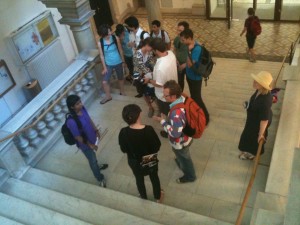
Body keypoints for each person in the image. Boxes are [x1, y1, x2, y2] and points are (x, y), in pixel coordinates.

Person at [118, 104, 164, 203]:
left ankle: (143, 196)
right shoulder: (148, 130)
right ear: (138, 115)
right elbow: (157, 146)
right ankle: (157, 197)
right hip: (148, 158)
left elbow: (123, 149)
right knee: (154, 177)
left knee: (139, 178)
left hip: (133, 160)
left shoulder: (123, 132)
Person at [153, 80, 196, 183]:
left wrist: (162, 121)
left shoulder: (176, 114)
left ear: (173, 96)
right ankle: (180, 160)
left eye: (166, 95)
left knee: (185, 159)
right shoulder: (182, 98)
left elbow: (175, 133)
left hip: (181, 142)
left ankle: (190, 176)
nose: (164, 97)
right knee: (180, 155)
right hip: (187, 136)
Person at [66, 95, 108, 187]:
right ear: (72, 107)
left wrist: (96, 130)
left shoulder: (83, 109)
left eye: (80, 102)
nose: (81, 104)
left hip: (92, 138)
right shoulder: (71, 122)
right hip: (85, 145)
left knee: (93, 156)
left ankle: (97, 166)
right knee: (92, 161)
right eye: (77, 104)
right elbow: (77, 137)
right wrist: (90, 145)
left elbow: (89, 120)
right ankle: (100, 178)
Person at [144, 38, 178, 138]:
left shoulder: (160, 67)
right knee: (172, 110)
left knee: (165, 113)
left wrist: (149, 80)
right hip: (173, 87)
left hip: (164, 95)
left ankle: (168, 130)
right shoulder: (171, 53)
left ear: (156, 50)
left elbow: (159, 84)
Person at [238, 71, 273, 160]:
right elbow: (255, 103)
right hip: (253, 119)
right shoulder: (259, 90)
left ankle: (251, 154)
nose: (254, 81)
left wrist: (261, 134)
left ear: (263, 85)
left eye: (257, 81)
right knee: (248, 134)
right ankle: (248, 151)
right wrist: (249, 105)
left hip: (258, 123)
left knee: (253, 138)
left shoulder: (265, 101)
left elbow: (264, 120)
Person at [180, 28, 210, 125]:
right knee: (194, 97)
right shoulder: (193, 43)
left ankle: (206, 117)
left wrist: (188, 52)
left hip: (195, 78)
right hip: (190, 76)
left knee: (197, 98)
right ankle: (197, 114)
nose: (182, 42)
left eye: (183, 40)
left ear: (189, 38)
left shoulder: (196, 48)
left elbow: (190, 64)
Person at [97, 24, 126, 105]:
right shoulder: (100, 43)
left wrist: (123, 62)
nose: (110, 33)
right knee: (104, 82)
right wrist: (104, 67)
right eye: (108, 32)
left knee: (120, 78)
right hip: (108, 64)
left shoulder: (115, 38)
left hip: (118, 62)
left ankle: (122, 91)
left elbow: (120, 50)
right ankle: (108, 96)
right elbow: (102, 56)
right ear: (103, 34)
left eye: (110, 31)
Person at [133, 37, 156, 117]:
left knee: (154, 91)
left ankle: (158, 107)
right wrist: (152, 74)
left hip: (148, 75)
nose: (152, 49)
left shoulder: (148, 52)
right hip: (140, 77)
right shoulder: (137, 55)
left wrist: (156, 69)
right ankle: (150, 107)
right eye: (151, 47)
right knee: (145, 93)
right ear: (146, 45)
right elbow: (142, 67)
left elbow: (151, 62)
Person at [173, 21, 189, 91]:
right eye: (178, 30)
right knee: (180, 82)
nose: (179, 32)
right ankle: (180, 96)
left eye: (181, 30)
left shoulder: (190, 41)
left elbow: (194, 56)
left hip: (188, 65)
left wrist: (185, 64)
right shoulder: (177, 39)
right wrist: (176, 60)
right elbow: (175, 50)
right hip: (179, 64)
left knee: (190, 81)